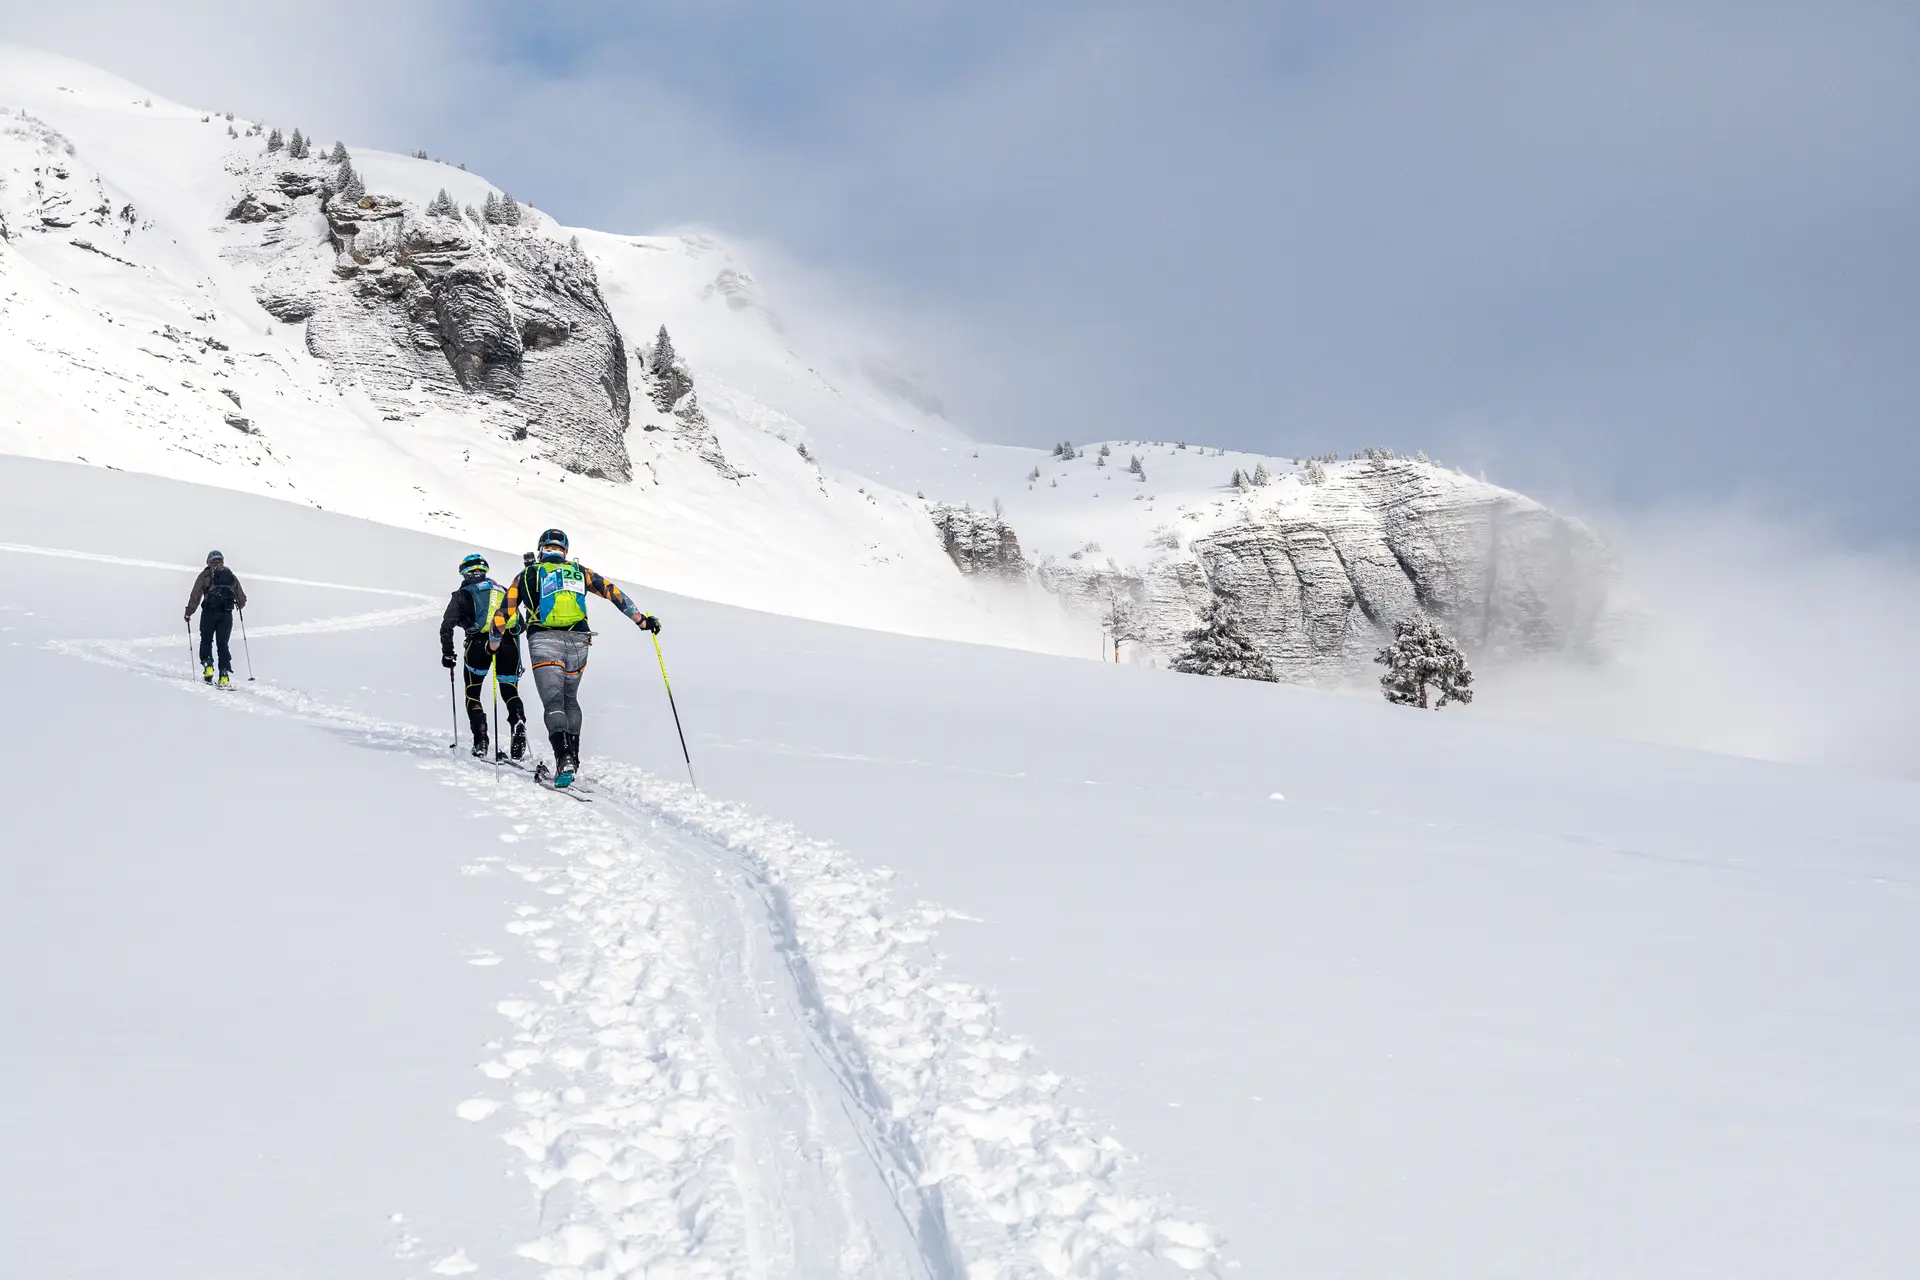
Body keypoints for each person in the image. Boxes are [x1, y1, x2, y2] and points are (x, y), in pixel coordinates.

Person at [489, 528, 660, 787]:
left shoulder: (527, 574)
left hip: (544, 641)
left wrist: (493, 642)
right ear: (564, 551)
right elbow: (612, 592)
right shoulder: (579, 572)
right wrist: (641, 620)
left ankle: (563, 757)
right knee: (570, 697)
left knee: (553, 701)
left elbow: (505, 612)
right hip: (580, 642)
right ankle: (574, 758)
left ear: (541, 549)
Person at [440, 553, 528, 760]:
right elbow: (521, 625)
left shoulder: (462, 594)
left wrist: (448, 654)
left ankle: (481, 739)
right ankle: (518, 721)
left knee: (473, 692)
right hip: (508, 644)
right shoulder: (503, 590)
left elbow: (446, 626)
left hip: (477, 645)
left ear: (464, 572)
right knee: (509, 690)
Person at [183, 550, 248, 687]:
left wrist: (189, 612)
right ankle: (224, 675)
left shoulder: (205, 574)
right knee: (222, 644)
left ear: (208, 561)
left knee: (206, 640)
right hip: (226, 614)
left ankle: (208, 666)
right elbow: (242, 599)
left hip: (209, 613)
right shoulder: (230, 575)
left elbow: (196, 595)